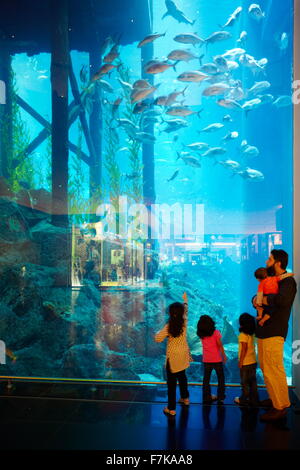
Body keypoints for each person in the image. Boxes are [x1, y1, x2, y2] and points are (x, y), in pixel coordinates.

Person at [253, 249, 297, 422]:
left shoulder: (288, 282)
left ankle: (279, 407)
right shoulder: (275, 280)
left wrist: (262, 300)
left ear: (278, 262)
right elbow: (261, 297)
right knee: (267, 367)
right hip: (265, 331)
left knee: (273, 368)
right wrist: (257, 300)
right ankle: (278, 400)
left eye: (270, 259)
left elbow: (281, 301)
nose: (266, 261)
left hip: (274, 331)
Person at [155, 292, 192, 416]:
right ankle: (185, 398)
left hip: (173, 358)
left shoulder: (168, 326)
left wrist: (157, 332)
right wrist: (185, 300)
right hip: (183, 355)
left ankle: (171, 408)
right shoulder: (184, 322)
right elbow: (186, 310)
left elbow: (158, 339)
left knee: (171, 384)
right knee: (182, 377)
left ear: (171, 313)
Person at [197, 315, 227, 405]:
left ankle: (207, 397)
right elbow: (220, 345)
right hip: (217, 359)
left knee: (206, 379)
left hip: (207, 360)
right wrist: (224, 356)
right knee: (221, 378)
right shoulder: (216, 332)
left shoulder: (201, 335)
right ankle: (221, 397)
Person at [234, 313, 259, 407]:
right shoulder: (252, 334)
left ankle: (243, 399)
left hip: (245, 363)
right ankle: (254, 400)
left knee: (244, 383)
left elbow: (244, 348)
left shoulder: (243, 335)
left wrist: (240, 361)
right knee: (253, 382)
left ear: (241, 324)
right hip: (253, 361)